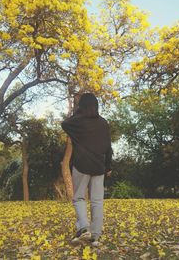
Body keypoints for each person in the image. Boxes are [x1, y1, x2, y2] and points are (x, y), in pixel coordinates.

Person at [61, 93, 113, 247]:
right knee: (97, 201)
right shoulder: (103, 123)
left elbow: (65, 124)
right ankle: (96, 236)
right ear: (96, 106)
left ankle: (84, 227)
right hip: (98, 166)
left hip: (81, 165)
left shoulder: (77, 122)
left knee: (78, 198)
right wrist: (108, 166)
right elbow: (108, 147)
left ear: (81, 107)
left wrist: (78, 112)